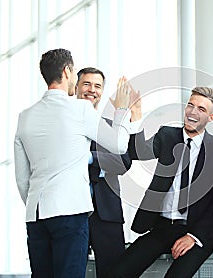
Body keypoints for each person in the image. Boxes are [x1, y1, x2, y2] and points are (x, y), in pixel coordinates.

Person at [14, 48, 132, 278]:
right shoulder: (80, 109)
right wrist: (122, 109)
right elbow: (119, 145)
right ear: (68, 72)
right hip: (69, 211)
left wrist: (36, 203)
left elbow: (22, 178)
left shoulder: (25, 116)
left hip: (35, 215)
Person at [109, 87, 213, 278]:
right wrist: (135, 115)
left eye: (201, 109)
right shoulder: (167, 136)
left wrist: (193, 237)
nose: (193, 112)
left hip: (197, 232)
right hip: (162, 228)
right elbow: (135, 151)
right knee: (118, 274)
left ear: (210, 117)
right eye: (190, 105)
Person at [76, 67, 132, 277]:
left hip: (106, 213)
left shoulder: (111, 127)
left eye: (97, 86)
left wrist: (91, 159)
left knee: (113, 272)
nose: (92, 90)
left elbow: (123, 162)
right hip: (73, 209)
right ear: (76, 87)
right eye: (87, 84)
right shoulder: (65, 124)